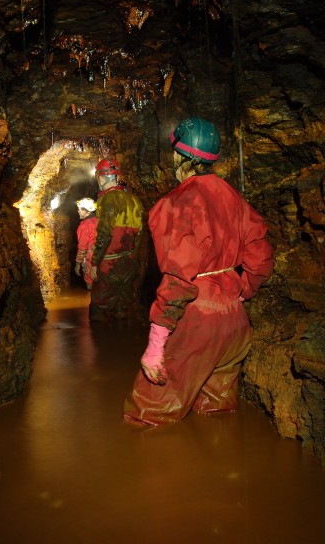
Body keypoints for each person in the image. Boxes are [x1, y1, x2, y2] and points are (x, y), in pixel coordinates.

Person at [123, 117, 273, 427]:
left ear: (180, 156)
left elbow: (178, 280)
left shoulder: (175, 204)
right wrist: (242, 292)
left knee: (148, 418)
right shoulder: (236, 200)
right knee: (216, 416)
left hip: (196, 320)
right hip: (235, 321)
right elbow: (260, 261)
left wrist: (156, 343)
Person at [89, 157, 144, 322]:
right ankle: (121, 344)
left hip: (109, 264)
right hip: (129, 262)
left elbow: (105, 234)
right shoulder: (134, 200)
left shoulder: (107, 199)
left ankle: (101, 344)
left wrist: (94, 263)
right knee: (122, 309)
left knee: (98, 309)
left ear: (102, 177)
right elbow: (140, 235)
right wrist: (134, 260)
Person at [74, 197, 98, 290]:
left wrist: (78, 263)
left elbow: (82, 247)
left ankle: (91, 301)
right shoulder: (98, 220)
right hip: (101, 257)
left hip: (90, 258)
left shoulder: (85, 225)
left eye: (79, 209)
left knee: (90, 282)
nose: (78, 211)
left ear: (86, 211)